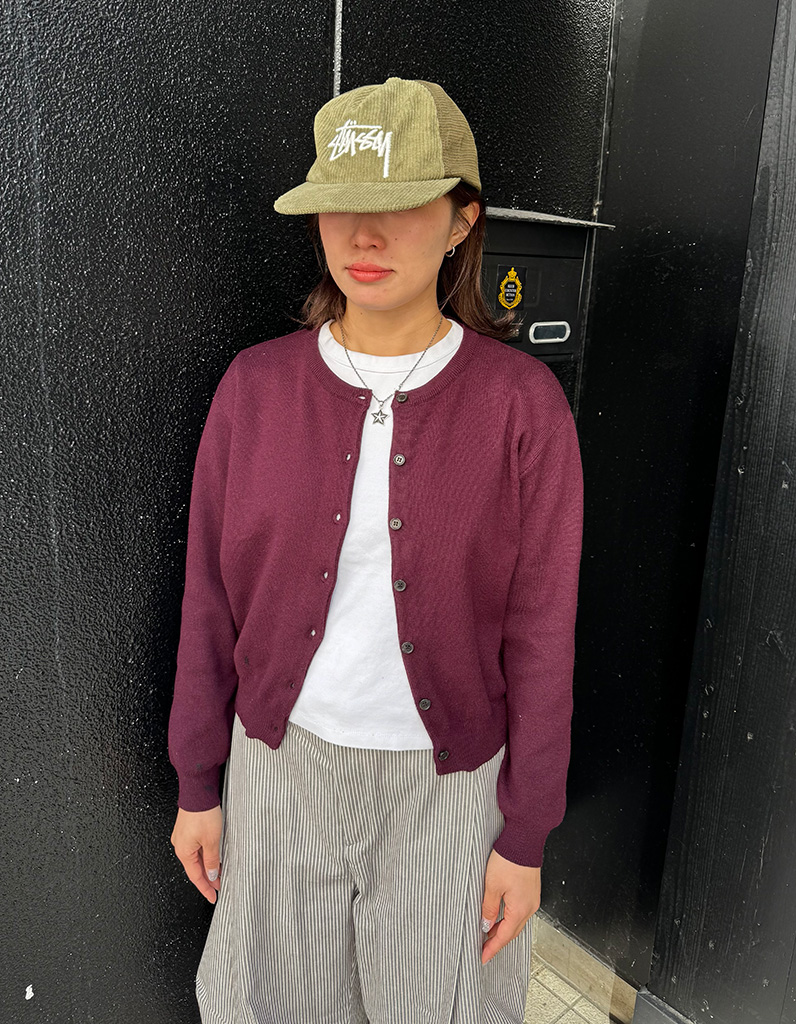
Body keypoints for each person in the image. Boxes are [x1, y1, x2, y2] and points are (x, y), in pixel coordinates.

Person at [168, 77, 583, 1024]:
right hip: (280, 772)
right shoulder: (254, 390)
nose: (364, 234)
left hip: (449, 791)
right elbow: (208, 600)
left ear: (461, 221)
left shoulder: (522, 409)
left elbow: (542, 631)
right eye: (341, 205)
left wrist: (526, 834)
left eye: (400, 206)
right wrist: (198, 781)